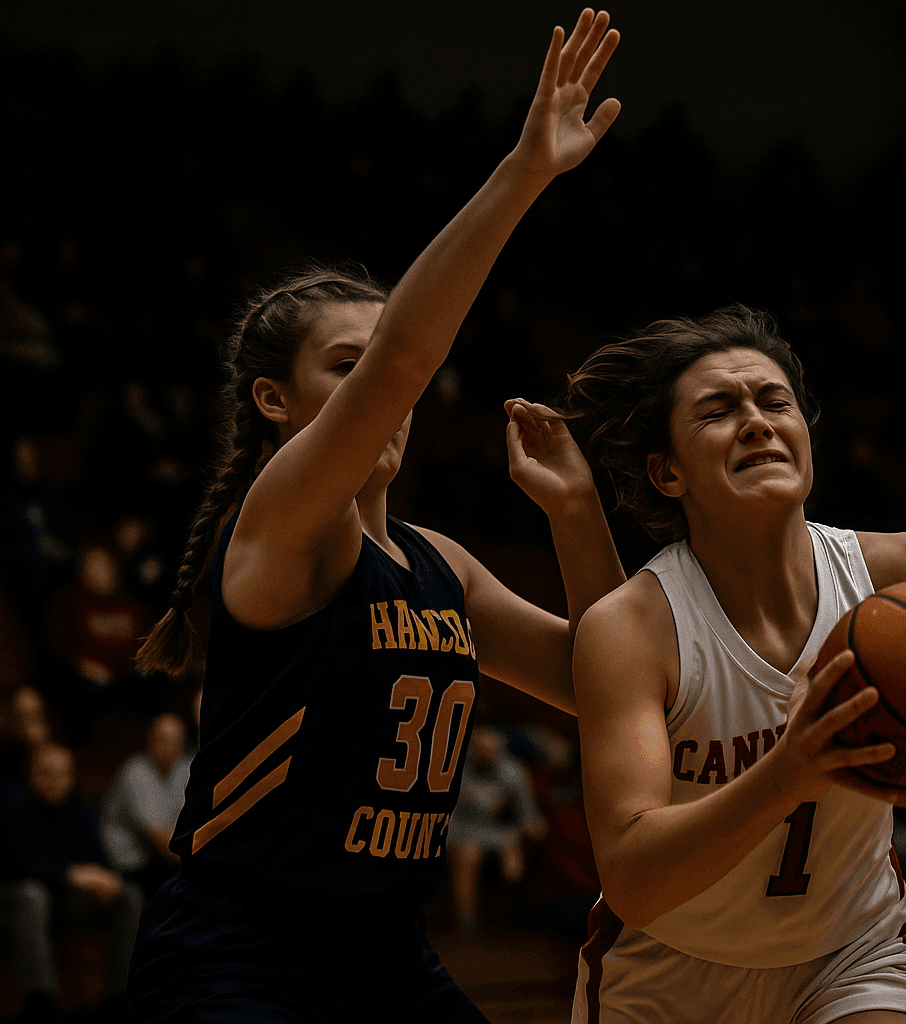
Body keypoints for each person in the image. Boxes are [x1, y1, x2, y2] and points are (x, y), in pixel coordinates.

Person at [124, 11, 626, 1021]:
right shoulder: (285, 524)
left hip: (388, 950)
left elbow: (607, 682)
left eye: (374, 366)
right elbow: (407, 358)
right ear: (275, 400)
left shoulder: (443, 563)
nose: (383, 392)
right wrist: (523, 173)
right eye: (346, 369)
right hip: (242, 953)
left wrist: (576, 512)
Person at [563, 305, 906, 1024]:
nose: (756, 422)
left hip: (851, 951)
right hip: (668, 967)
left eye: (775, 402)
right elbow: (634, 880)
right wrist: (786, 774)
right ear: (667, 473)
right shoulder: (632, 627)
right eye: (719, 411)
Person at [0, 743, 143, 1024]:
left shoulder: (76, 808)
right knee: (33, 894)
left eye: (62, 774)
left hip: (65, 898)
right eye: (47, 773)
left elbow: (96, 859)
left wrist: (106, 878)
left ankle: (119, 998)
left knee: (128, 894)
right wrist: (67, 873)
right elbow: (18, 863)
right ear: (31, 774)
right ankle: (40, 1001)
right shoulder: (13, 805)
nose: (55, 781)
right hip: (18, 897)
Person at [445, 726, 547, 930]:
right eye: (480, 749)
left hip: (500, 831)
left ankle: (513, 918)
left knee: (513, 861)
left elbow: (527, 812)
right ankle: (467, 919)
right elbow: (448, 811)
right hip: (463, 830)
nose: (486, 755)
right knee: (468, 855)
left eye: (490, 750)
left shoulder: (514, 772)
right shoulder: (456, 769)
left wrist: (531, 827)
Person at [99, 712, 193, 898]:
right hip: (128, 865)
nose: (167, 746)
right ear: (149, 739)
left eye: (175, 740)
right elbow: (160, 842)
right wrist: (206, 861)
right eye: (162, 739)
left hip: (162, 861)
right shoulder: (135, 772)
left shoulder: (184, 769)